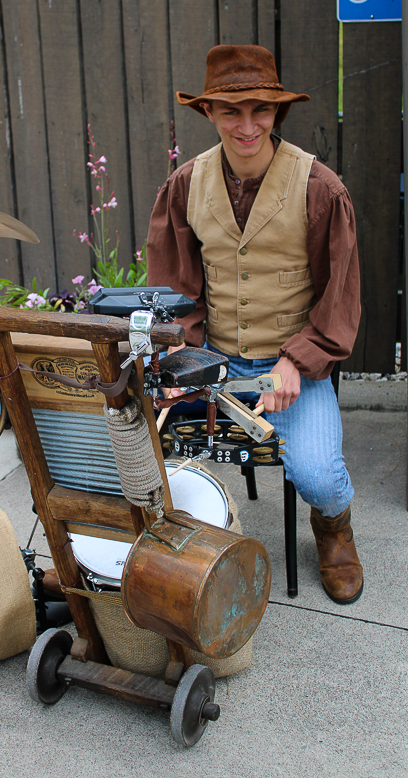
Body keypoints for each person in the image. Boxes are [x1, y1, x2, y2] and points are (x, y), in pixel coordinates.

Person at [146, 44, 363, 604]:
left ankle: (334, 526)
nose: (246, 125)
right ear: (209, 112)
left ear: (277, 114)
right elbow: (175, 292)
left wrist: (299, 359)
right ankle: (161, 553)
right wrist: (175, 359)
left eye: (260, 111)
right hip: (214, 360)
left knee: (316, 474)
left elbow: (339, 297)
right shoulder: (184, 186)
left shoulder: (320, 188)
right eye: (230, 111)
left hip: (294, 365)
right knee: (137, 437)